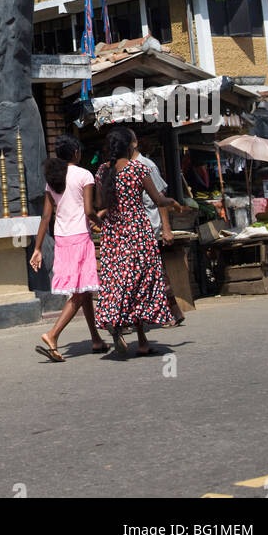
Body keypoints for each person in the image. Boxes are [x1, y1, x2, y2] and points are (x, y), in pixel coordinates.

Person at [95, 127, 188, 358]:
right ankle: (141, 339)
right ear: (129, 146)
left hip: (113, 234)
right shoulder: (138, 169)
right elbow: (158, 199)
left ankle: (118, 325)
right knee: (141, 283)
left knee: (116, 281)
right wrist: (174, 201)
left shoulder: (102, 172)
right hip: (137, 233)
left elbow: (101, 204)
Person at [30, 136, 109, 361]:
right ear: (75, 152)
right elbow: (88, 209)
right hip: (80, 237)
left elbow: (46, 216)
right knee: (80, 291)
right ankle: (53, 334)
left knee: (83, 289)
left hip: (62, 239)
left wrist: (37, 248)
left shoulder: (54, 178)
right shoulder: (85, 175)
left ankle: (95, 338)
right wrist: (103, 224)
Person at [134, 145, 185, 326]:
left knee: (157, 273)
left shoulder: (146, 166)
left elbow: (159, 198)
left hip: (151, 227)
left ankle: (172, 312)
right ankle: (169, 313)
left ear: (133, 144)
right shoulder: (122, 167)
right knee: (146, 273)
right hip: (135, 231)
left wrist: (166, 228)